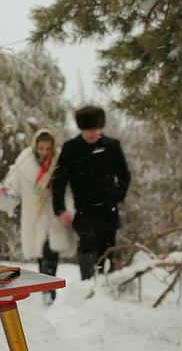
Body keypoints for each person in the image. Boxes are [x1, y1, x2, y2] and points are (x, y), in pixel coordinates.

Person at [0, 128, 77, 304]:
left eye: (48, 149)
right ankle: (44, 289)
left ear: (53, 148)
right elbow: (12, 185)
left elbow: (68, 189)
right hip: (33, 214)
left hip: (54, 212)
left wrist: (69, 209)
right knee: (40, 253)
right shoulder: (24, 162)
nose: (44, 152)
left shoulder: (61, 161)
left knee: (51, 251)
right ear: (36, 146)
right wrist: (1, 196)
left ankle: (49, 289)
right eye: (41, 148)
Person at [52, 106, 131, 280]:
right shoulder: (71, 148)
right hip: (82, 209)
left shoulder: (112, 146)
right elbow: (59, 180)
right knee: (87, 242)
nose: (90, 134)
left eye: (94, 130)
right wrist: (60, 209)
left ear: (100, 128)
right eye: (86, 130)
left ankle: (105, 283)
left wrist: (117, 196)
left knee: (107, 245)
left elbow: (124, 176)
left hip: (107, 209)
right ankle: (87, 283)